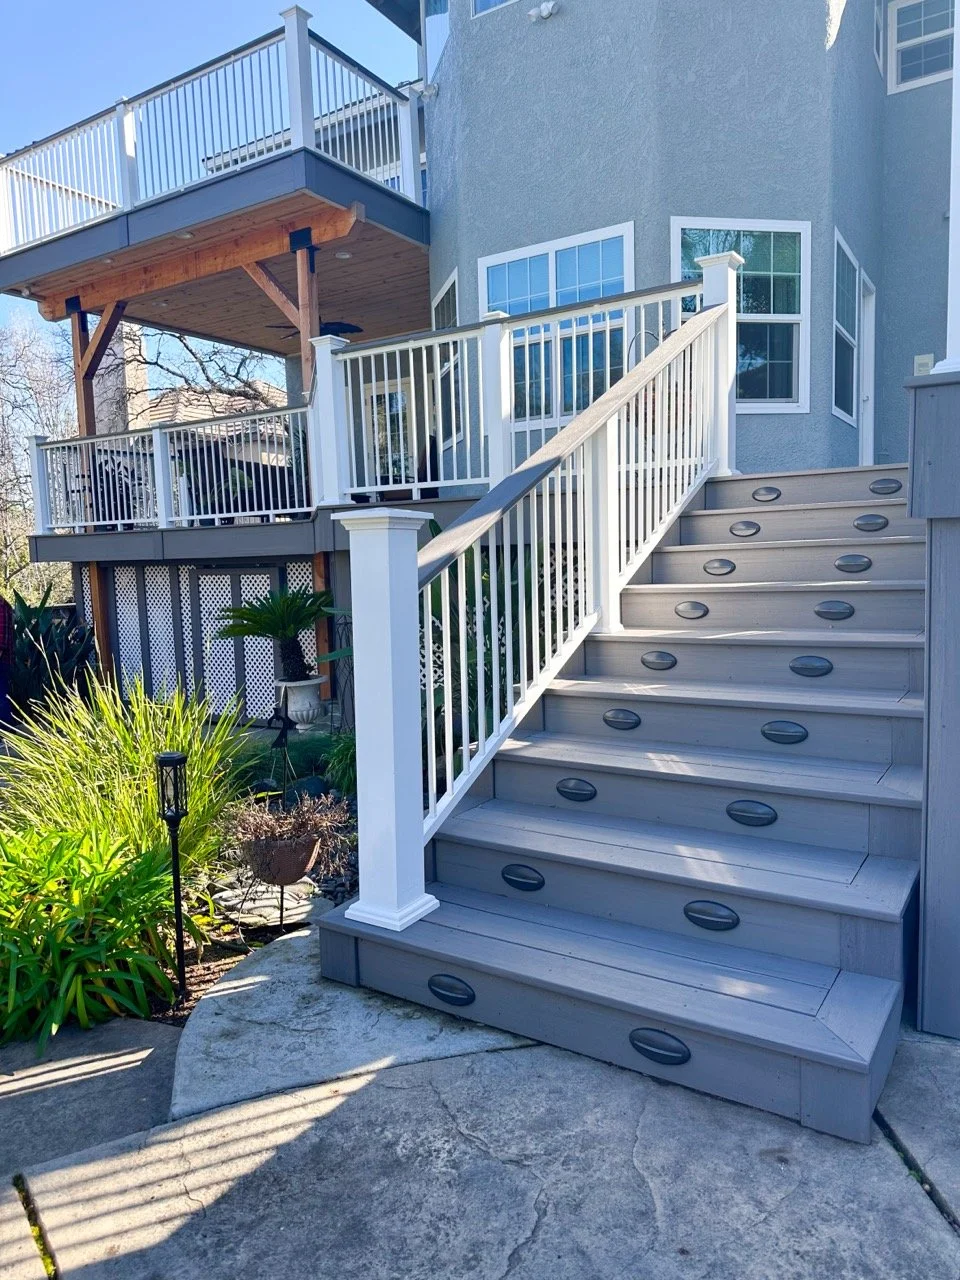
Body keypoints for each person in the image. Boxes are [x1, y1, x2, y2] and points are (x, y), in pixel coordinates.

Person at [0, 594, 13, 726]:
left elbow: (1, 642)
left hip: (1, 662)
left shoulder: (1, 606)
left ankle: (6, 733)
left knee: (1, 698)